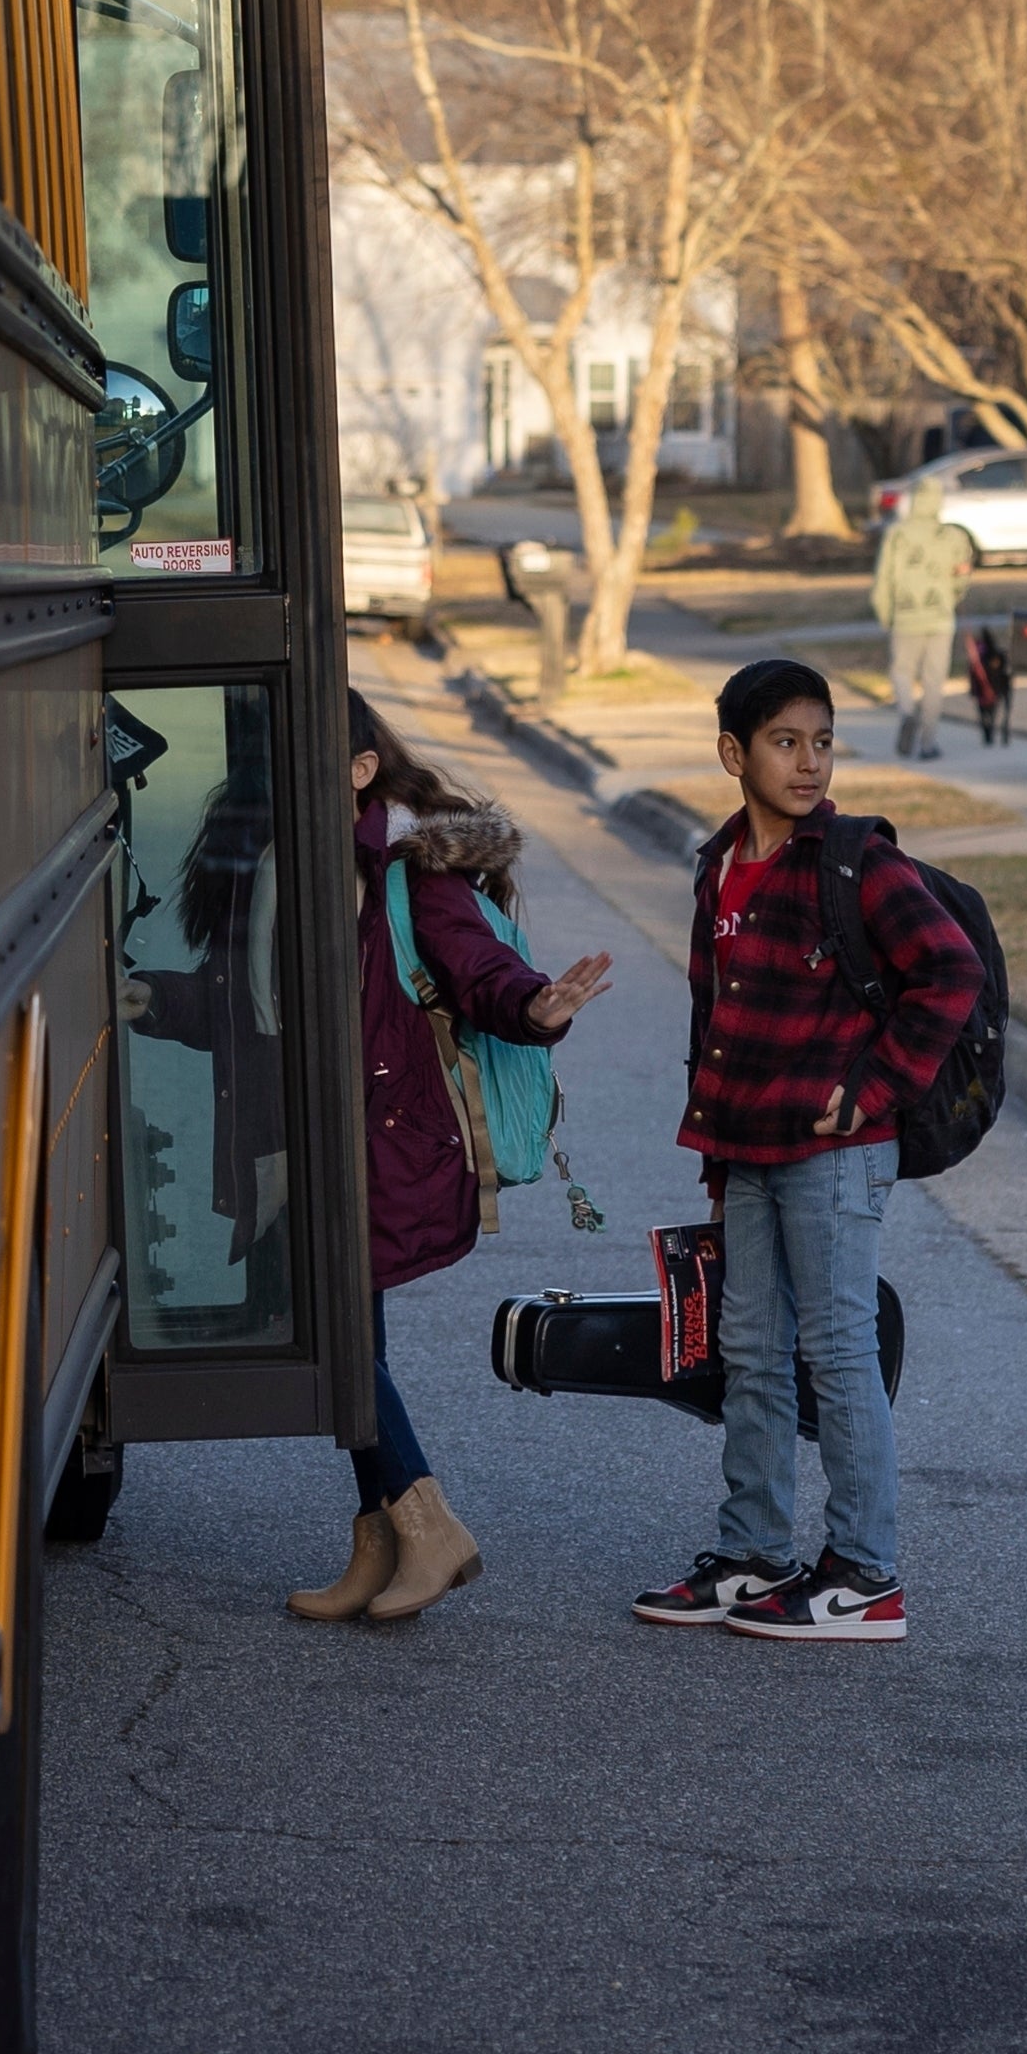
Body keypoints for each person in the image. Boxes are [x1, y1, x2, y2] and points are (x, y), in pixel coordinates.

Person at [635, 658, 978, 1645]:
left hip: (836, 1150)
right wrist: (714, 1152)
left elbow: (947, 971)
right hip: (746, 1146)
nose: (810, 762)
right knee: (750, 1352)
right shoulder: (720, 867)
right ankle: (754, 1555)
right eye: (787, 742)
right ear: (733, 754)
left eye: (823, 741)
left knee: (835, 1348)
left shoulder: (858, 860)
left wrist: (872, 1090)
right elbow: (712, 1021)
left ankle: (867, 1574)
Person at [289, 696, 616, 1629]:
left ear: (361, 769)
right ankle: (381, 1538)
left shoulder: (409, 873)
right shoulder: (296, 863)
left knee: (345, 1337)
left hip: (393, 1138)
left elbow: (477, 967)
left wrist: (535, 1007)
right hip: (327, 1135)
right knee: (361, 1337)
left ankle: (426, 1523)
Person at [871, 480, 974, 760]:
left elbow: (884, 579)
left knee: (902, 672)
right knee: (934, 680)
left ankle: (907, 712)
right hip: (940, 618)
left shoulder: (896, 534)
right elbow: (961, 575)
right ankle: (928, 743)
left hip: (906, 617)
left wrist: (884, 615)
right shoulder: (952, 536)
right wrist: (953, 594)